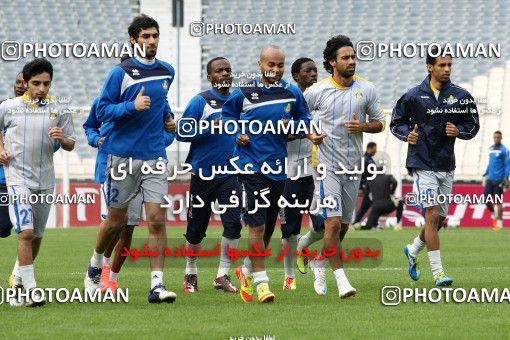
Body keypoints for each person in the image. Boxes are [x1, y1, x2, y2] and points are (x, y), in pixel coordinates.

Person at [83, 14, 178, 303]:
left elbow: (161, 108)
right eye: (146, 36)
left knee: (157, 221)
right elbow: (102, 113)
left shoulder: (167, 71)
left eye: (155, 36)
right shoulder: (119, 73)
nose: (151, 41)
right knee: (115, 222)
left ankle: (157, 285)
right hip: (121, 156)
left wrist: (168, 121)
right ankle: (95, 265)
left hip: (154, 157)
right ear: (134, 40)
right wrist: (130, 106)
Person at [222, 44, 318, 303]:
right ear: (260, 64)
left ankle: (245, 270)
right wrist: (236, 133)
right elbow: (225, 117)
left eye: (279, 65)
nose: (275, 70)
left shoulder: (292, 93)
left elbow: (305, 120)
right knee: (257, 225)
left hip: (278, 169)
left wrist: (294, 126)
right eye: (270, 65)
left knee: (267, 231)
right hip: (250, 167)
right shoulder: (243, 94)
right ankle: (263, 284)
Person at [304, 35, 386, 297]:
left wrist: (362, 126)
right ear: (332, 62)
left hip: (352, 167)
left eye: (353, 57)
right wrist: (309, 134)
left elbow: (379, 122)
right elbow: (295, 119)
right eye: (346, 58)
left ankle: (319, 261)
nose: (352, 61)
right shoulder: (316, 92)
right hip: (326, 165)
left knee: (343, 226)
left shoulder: (367, 89)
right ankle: (342, 282)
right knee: (332, 223)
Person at [391, 46, 479, 286]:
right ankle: (438, 273)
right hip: (422, 163)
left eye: (449, 64)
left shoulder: (461, 96)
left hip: (446, 164)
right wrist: (407, 134)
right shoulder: (412, 96)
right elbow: (396, 122)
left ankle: (412, 249)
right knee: (431, 215)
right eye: (442, 65)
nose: (447, 69)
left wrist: (459, 131)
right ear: (430, 67)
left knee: (438, 220)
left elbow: (473, 124)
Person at [0, 58, 75, 306]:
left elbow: (71, 143)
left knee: (37, 237)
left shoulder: (59, 109)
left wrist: (62, 138)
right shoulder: (9, 107)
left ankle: (17, 285)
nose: (42, 89)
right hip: (18, 179)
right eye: (36, 83)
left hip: (45, 180)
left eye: (46, 83)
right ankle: (32, 291)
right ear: (26, 82)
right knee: (26, 233)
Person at [83, 93, 175, 292]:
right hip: (115, 166)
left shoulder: (158, 100)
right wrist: (97, 140)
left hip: (149, 166)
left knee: (130, 228)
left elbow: (169, 131)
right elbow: (89, 126)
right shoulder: (105, 100)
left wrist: (163, 136)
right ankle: (98, 264)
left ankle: (113, 278)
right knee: (116, 222)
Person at [175, 57, 241, 293]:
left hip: (230, 173)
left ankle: (222, 275)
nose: (225, 73)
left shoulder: (239, 102)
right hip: (203, 173)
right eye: (219, 71)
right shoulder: (200, 101)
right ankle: (190, 272)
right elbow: (181, 133)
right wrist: (210, 127)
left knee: (233, 223)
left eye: (228, 70)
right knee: (196, 229)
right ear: (210, 77)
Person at [279, 57, 324, 289]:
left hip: (315, 172)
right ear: (297, 75)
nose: (314, 74)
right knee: (289, 228)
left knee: (323, 223)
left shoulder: (322, 100)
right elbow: (279, 133)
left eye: (316, 70)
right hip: (288, 173)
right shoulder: (285, 101)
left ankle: (301, 246)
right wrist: (304, 132)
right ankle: (289, 277)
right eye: (308, 70)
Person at [0, 72, 28, 238]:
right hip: (3, 180)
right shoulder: (4, 107)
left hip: (23, 179)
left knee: (6, 228)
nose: (19, 85)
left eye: (23, 83)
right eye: (17, 82)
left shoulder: (41, 113)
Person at [363, 160, 403, 230]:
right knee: (400, 201)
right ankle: (398, 222)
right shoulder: (388, 177)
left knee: (368, 226)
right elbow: (395, 182)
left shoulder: (370, 180)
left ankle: (372, 225)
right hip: (388, 205)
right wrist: (391, 192)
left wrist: (372, 202)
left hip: (376, 207)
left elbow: (366, 194)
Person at [483, 130, 509, 231]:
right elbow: (490, 162)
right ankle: (494, 213)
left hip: (499, 179)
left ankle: (500, 222)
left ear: (501, 138)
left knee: (498, 201)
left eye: (498, 137)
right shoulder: (491, 149)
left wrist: (506, 178)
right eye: (495, 137)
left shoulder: (505, 150)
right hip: (490, 178)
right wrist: (486, 172)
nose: (496, 139)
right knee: (485, 199)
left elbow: (507, 165)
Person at [352, 142, 377, 228]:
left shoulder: (369, 159)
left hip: (371, 187)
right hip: (367, 187)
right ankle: (357, 223)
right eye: (375, 149)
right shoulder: (365, 159)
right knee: (367, 206)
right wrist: (361, 187)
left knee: (371, 205)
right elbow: (361, 174)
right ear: (370, 148)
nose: (376, 151)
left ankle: (372, 223)